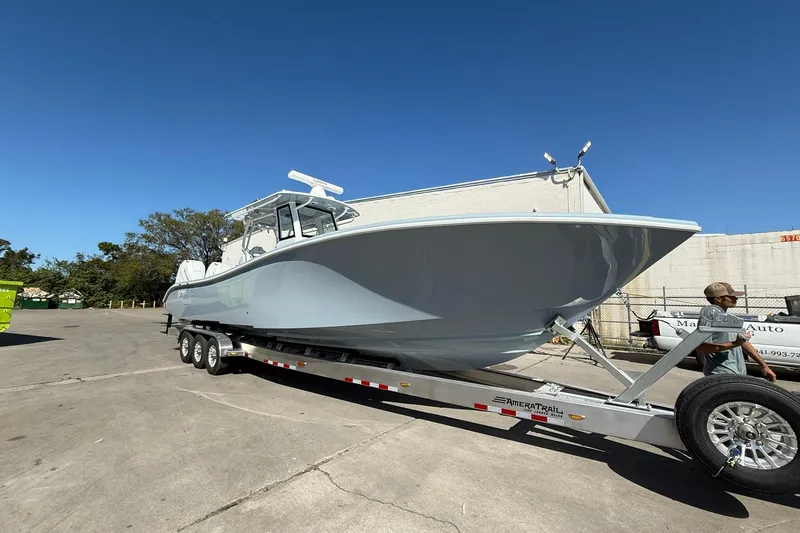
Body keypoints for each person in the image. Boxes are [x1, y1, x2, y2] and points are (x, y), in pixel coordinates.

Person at [696, 282, 777, 382]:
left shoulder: (727, 318)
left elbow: (743, 343)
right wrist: (734, 344)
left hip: (736, 372)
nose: (736, 298)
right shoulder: (709, 317)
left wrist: (764, 365)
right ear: (718, 299)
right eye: (731, 296)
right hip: (721, 374)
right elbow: (701, 347)